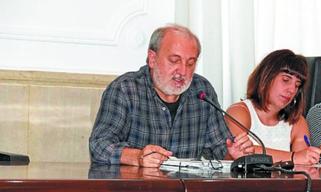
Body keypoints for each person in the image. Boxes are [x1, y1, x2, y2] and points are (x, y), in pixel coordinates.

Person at [89, 24, 252, 167]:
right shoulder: (125, 90)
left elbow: (220, 150)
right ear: (152, 59)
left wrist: (234, 154)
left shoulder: (202, 91)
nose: (183, 71)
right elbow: (99, 145)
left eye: (190, 63)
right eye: (174, 61)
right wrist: (137, 157)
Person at [225, 49, 321, 164]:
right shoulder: (239, 112)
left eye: (297, 85)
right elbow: (241, 153)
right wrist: (293, 157)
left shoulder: (298, 122)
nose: (291, 90)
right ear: (266, 76)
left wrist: (305, 157)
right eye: (286, 80)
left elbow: (304, 163)